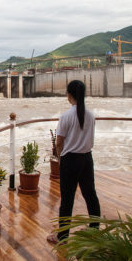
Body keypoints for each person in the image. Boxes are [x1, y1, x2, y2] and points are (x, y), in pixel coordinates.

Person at [47, 80, 101, 244]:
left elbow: (59, 142)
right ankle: (95, 229)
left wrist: (60, 159)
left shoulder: (66, 116)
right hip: (86, 158)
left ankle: (62, 237)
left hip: (71, 160)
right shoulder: (91, 115)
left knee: (67, 198)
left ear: (69, 95)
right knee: (90, 195)